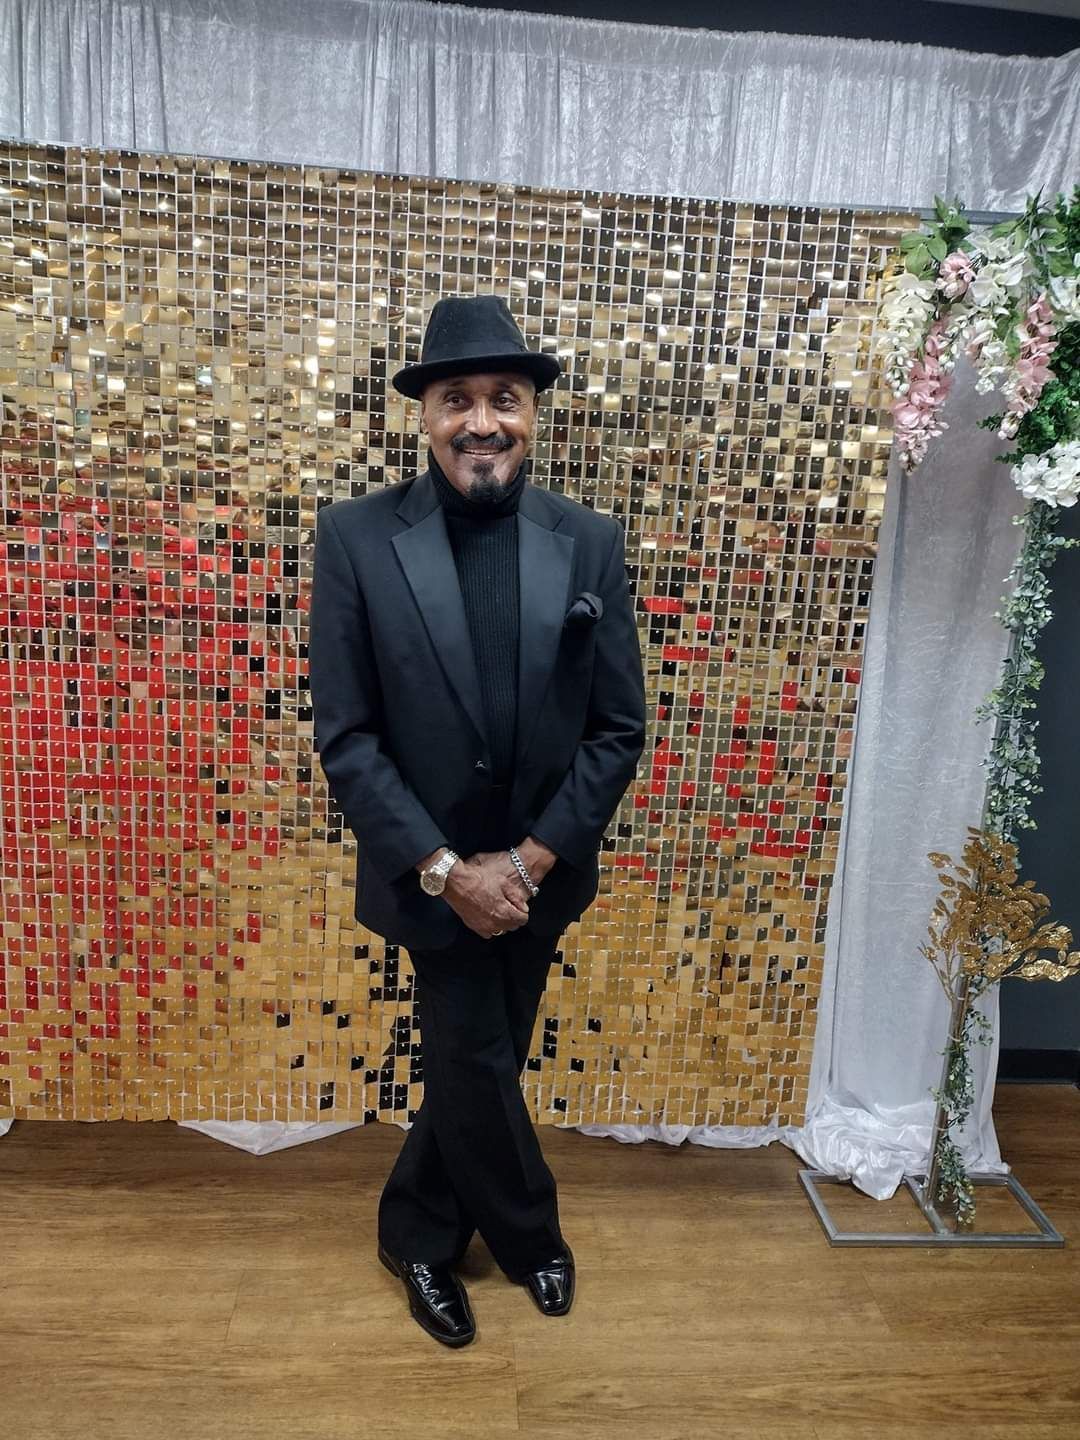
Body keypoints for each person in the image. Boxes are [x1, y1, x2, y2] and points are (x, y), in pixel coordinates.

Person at [307, 293, 647, 1347]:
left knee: (480, 1056)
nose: (482, 421)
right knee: (478, 1053)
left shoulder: (588, 541)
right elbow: (348, 736)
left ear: (534, 414)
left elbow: (618, 728)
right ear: (426, 416)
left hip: (540, 876)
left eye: (505, 398)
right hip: (433, 876)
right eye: (459, 400)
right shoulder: (357, 538)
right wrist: (454, 870)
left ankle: (417, 1226)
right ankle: (530, 1234)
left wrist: (533, 862)